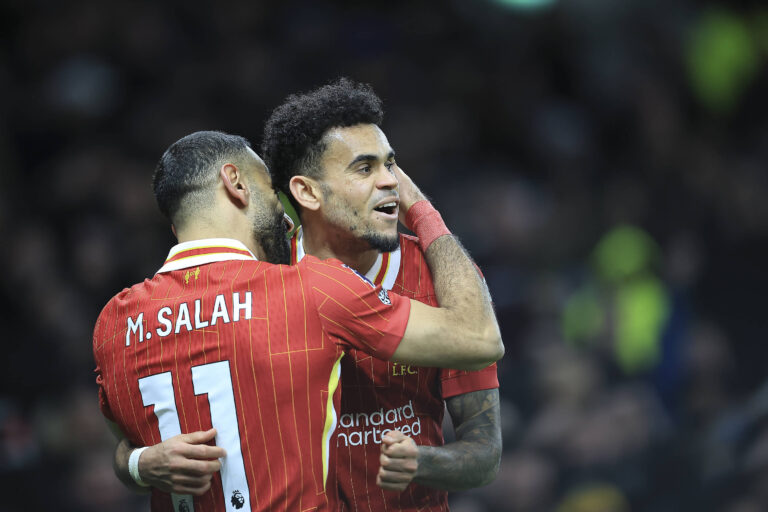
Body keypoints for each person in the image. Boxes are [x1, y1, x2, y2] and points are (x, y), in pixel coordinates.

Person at [94, 130, 502, 511]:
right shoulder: (307, 289)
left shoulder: (113, 323)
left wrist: (138, 464)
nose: (282, 213)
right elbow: (479, 338)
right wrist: (421, 208)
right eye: (272, 191)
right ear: (235, 183)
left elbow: (128, 450)